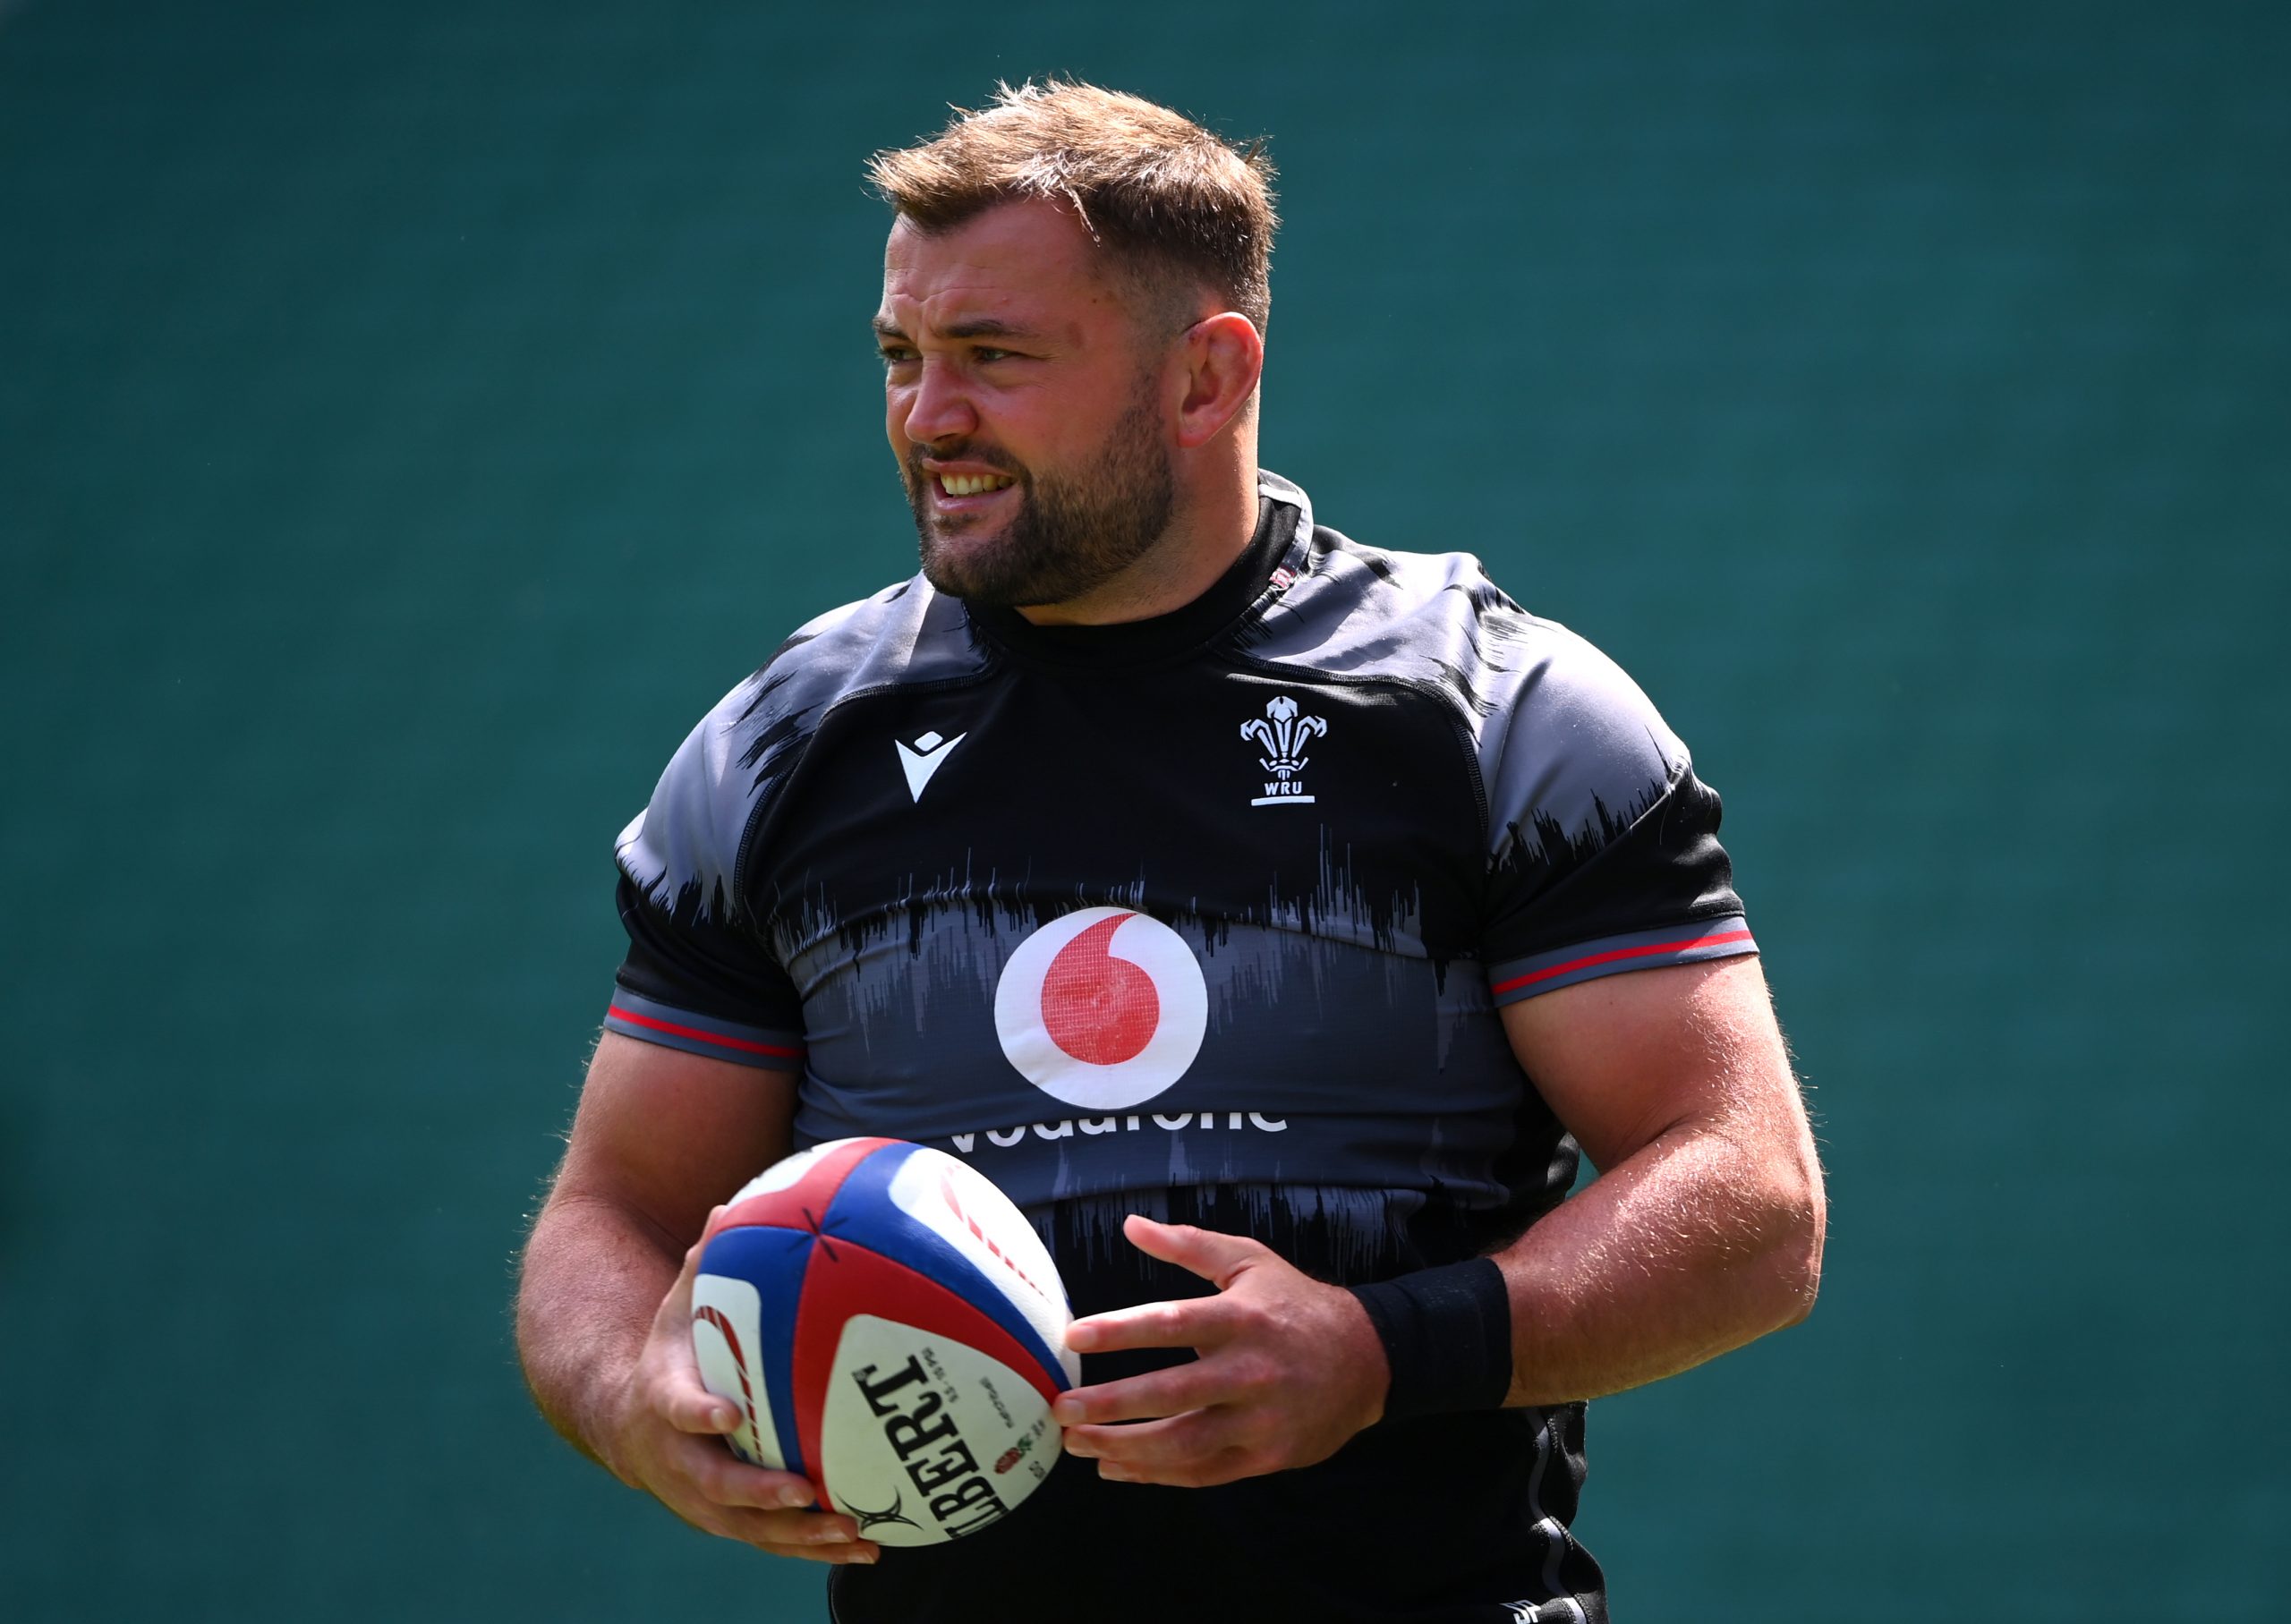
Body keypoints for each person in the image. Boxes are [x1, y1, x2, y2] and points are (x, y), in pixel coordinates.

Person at [515, 81, 1825, 1624]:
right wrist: (629, 1391)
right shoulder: (784, 749)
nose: (929, 417)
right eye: (902, 357)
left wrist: (1382, 1354)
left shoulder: (1490, 711)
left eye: (995, 359)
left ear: (1206, 378)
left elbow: (1751, 1199)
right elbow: (612, 1211)